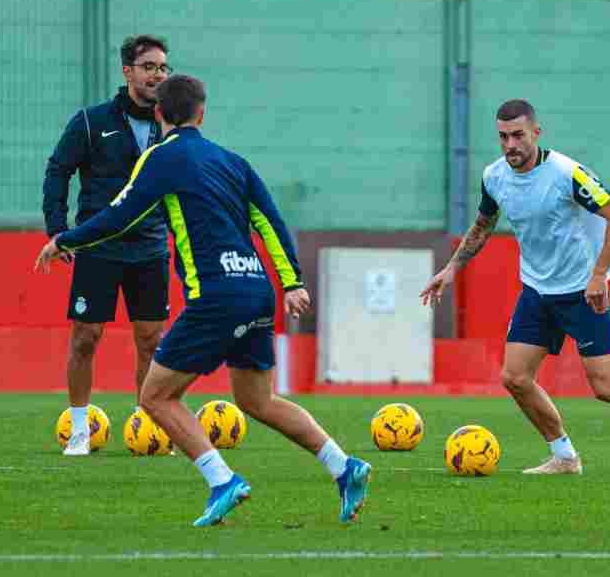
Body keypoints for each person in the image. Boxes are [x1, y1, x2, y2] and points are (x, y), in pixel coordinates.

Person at [35, 75, 371, 527]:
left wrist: (64, 240)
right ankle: (344, 467)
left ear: (159, 114)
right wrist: (291, 281)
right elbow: (269, 221)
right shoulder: (233, 161)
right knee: (257, 399)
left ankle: (222, 480)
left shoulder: (160, 158)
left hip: (215, 295)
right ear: (202, 113)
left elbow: (119, 216)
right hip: (256, 290)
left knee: (154, 397)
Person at [420, 99, 610, 474]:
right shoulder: (494, 177)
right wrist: (451, 268)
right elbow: (483, 225)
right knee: (515, 378)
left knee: (608, 386)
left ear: (536, 133)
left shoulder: (566, 173)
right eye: (503, 137)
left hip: (581, 292)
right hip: (537, 293)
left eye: (518, 135)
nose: (511, 145)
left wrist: (597, 275)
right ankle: (564, 455)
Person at [42, 35, 173, 456]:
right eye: (149, 66)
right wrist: (57, 231)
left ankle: (148, 426)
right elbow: (58, 170)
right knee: (86, 336)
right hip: (98, 247)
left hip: (151, 248)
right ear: (128, 72)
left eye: (163, 68)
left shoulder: (170, 125)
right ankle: (79, 429)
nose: (157, 74)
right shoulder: (90, 121)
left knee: (151, 341)